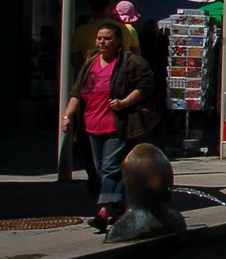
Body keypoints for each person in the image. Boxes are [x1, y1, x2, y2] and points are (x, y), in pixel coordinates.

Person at [61, 22, 156, 231]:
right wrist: (67, 115)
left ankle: (103, 212)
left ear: (119, 41)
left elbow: (146, 84)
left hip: (118, 125)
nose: (102, 42)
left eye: (107, 38)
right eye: (99, 38)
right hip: (92, 125)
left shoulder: (130, 62)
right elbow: (77, 92)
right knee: (101, 169)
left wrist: (124, 102)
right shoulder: (91, 62)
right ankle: (125, 205)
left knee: (109, 168)